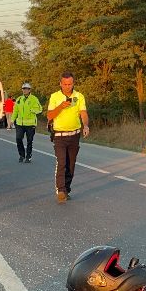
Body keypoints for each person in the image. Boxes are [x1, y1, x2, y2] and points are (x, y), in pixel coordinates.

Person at [46, 72, 89, 203]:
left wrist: (85, 125)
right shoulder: (55, 97)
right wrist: (60, 106)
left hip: (74, 135)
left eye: (70, 84)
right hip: (60, 135)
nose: (67, 86)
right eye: (65, 84)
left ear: (73, 83)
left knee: (71, 165)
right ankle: (60, 190)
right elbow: (49, 116)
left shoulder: (79, 96)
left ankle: (66, 190)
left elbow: (83, 113)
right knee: (62, 163)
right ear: (60, 84)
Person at [10, 82, 43, 163]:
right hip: (20, 123)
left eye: (26, 89)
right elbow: (15, 111)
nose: (25, 90)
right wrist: (12, 120)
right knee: (18, 139)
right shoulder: (19, 99)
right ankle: (21, 155)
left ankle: (28, 157)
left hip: (30, 124)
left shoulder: (34, 99)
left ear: (29, 90)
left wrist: (32, 110)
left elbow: (40, 109)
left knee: (29, 141)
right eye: (23, 89)